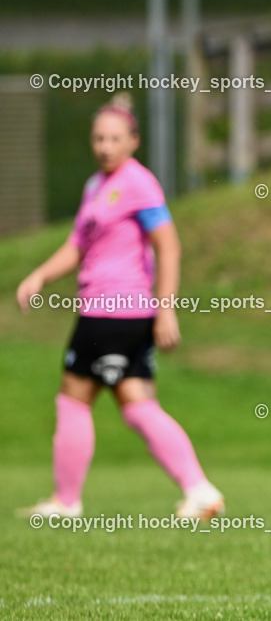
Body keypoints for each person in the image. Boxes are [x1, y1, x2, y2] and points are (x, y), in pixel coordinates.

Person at [16, 94, 224, 520]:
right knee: (138, 404)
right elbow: (78, 245)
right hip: (116, 313)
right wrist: (40, 275)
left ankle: (66, 501)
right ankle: (199, 490)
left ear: (134, 141)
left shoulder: (138, 183)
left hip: (113, 311)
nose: (105, 146)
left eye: (114, 138)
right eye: (98, 138)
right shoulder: (96, 186)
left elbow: (168, 246)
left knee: (73, 400)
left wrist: (166, 308)